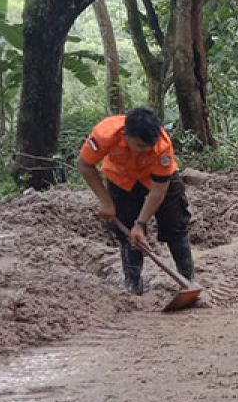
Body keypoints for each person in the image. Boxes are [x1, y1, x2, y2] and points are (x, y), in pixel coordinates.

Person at [77, 107, 194, 295]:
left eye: (149, 146)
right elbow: (84, 164)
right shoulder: (105, 134)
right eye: (139, 146)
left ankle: (187, 278)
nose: (146, 151)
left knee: (176, 223)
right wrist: (105, 201)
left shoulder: (162, 145)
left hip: (157, 180)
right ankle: (133, 286)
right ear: (126, 135)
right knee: (127, 236)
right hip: (121, 181)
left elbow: (158, 190)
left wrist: (140, 224)